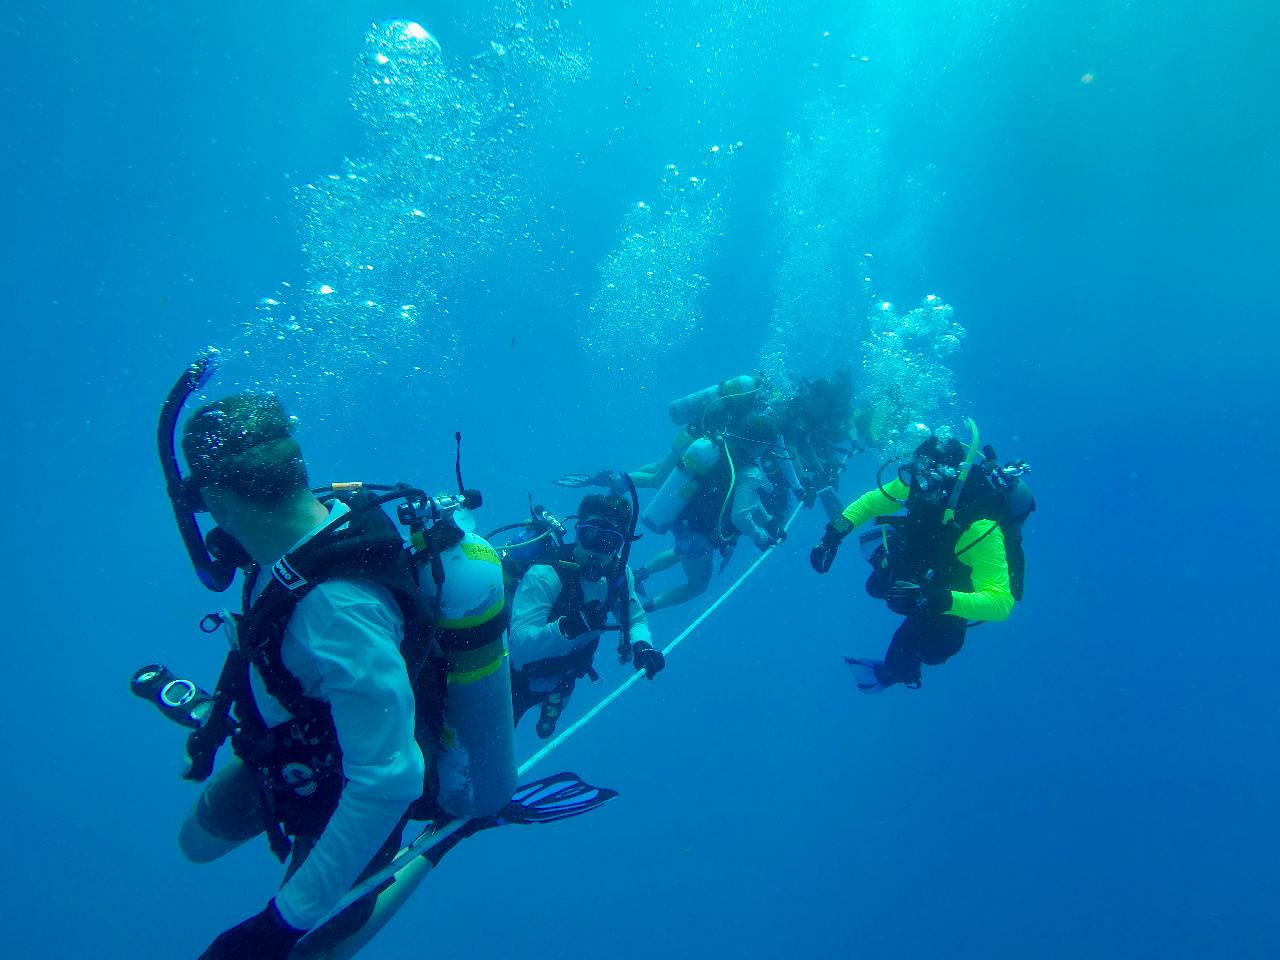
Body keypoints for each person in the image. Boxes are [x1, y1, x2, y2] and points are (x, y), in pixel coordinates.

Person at [163, 388, 513, 959]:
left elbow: (389, 778)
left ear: (220, 501)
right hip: (294, 743)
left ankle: (435, 845)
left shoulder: (337, 612)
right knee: (195, 843)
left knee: (314, 952)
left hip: (349, 782)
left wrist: (280, 922)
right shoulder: (301, 531)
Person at [808, 426, 1033, 692]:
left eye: (921, 483)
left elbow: (1000, 602)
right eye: (910, 477)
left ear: (944, 484)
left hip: (956, 577)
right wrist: (833, 535)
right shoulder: (918, 481)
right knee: (877, 587)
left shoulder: (981, 527)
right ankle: (899, 570)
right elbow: (872, 502)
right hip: (926, 551)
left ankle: (897, 671)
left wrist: (935, 598)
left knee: (934, 649)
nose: (912, 490)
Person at [508, 493, 664, 738]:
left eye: (609, 541)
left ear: (619, 547)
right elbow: (518, 649)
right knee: (492, 744)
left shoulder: (619, 577)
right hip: (516, 680)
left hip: (566, 676)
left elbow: (634, 619)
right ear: (577, 531)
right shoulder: (545, 574)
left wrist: (643, 646)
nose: (596, 551)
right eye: (590, 535)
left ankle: (552, 700)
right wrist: (567, 628)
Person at [634, 413, 786, 613]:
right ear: (763, 443)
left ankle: (638, 575)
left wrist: (768, 522)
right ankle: (643, 608)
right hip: (700, 532)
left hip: (682, 515)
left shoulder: (721, 446)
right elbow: (740, 516)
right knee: (697, 587)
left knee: (682, 551)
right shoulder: (750, 471)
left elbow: (751, 499)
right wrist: (761, 537)